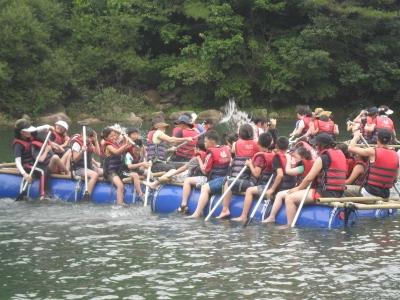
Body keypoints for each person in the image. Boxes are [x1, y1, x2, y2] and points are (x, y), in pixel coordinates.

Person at [283, 133, 347, 226]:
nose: (315, 147)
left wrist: (298, 188)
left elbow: (309, 178)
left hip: (325, 193)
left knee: (289, 198)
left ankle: (289, 227)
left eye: (316, 145)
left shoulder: (323, 158)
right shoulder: (341, 154)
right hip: (339, 192)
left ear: (321, 145)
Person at [231, 136, 295, 223]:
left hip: (273, 187)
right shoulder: (289, 157)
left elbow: (277, 175)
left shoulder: (275, 157)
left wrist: (272, 189)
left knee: (249, 190)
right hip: (288, 187)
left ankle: (243, 216)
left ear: (276, 145)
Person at [216, 123, 260, 218]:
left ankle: (225, 209)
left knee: (227, 182)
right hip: (248, 178)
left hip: (241, 178)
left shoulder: (235, 144)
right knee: (229, 181)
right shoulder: (257, 144)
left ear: (240, 134)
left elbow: (232, 154)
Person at [187, 130, 232, 218]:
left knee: (204, 188)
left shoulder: (211, 153)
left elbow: (204, 171)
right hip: (225, 179)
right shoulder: (226, 149)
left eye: (205, 141)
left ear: (212, 141)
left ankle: (197, 213)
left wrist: (199, 158)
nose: (204, 144)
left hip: (217, 181)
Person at [263, 146, 314, 223]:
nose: (294, 158)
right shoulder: (309, 163)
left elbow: (288, 171)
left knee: (279, 194)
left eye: (296, 157)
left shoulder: (302, 167)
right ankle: (272, 217)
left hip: (303, 190)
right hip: (305, 189)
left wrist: (288, 159)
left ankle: (272, 217)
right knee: (281, 194)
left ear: (302, 157)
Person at [348, 129, 399, 198]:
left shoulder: (373, 151)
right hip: (385, 195)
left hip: (369, 193)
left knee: (344, 189)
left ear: (377, 139)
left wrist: (356, 137)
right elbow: (395, 179)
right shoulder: (396, 155)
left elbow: (350, 148)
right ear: (390, 140)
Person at [102, 127, 144, 205]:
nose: (114, 137)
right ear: (106, 137)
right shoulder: (108, 146)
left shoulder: (117, 144)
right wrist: (126, 144)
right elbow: (117, 152)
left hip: (119, 171)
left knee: (135, 175)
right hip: (110, 172)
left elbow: (125, 148)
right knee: (120, 186)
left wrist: (126, 140)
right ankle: (120, 204)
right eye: (111, 136)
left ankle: (139, 194)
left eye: (115, 136)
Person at [70, 127, 102, 199]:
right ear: (82, 135)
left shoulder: (89, 143)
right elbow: (75, 159)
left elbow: (98, 153)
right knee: (95, 175)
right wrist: (82, 151)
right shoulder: (76, 144)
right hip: (79, 168)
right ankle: (87, 195)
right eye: (88, 137)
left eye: (91, 137)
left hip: (89, 167)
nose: (90, 139)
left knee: (103, 171)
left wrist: (96, 140)